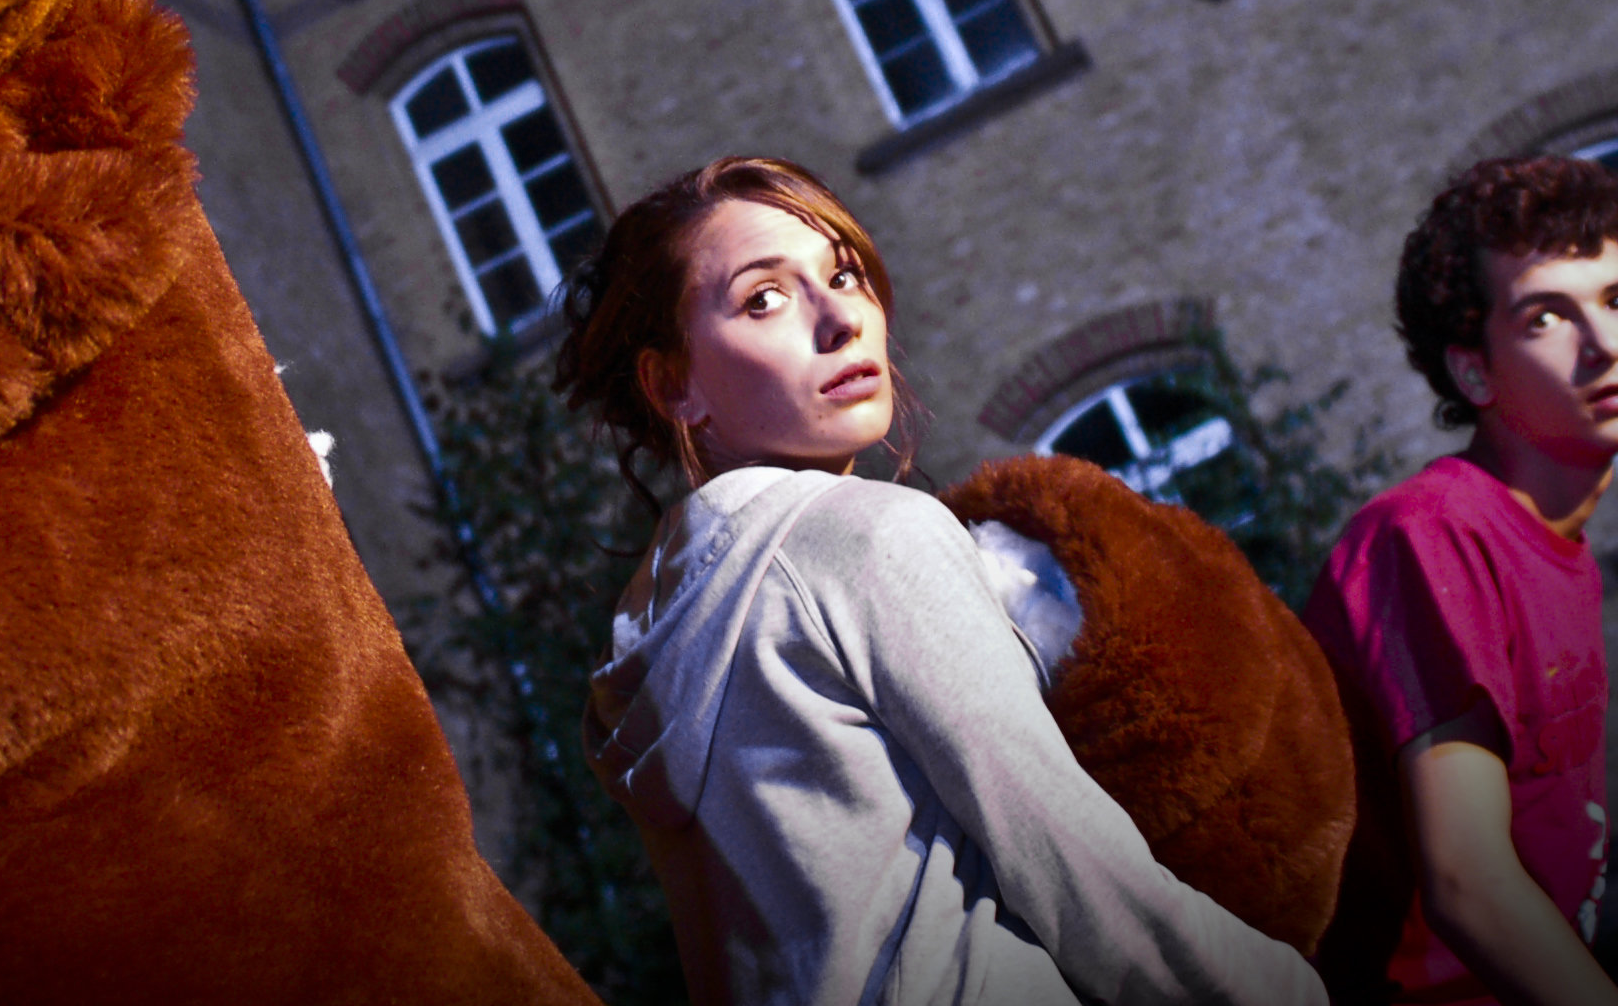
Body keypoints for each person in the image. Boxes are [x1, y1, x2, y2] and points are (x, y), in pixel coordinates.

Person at [557, 155, 1323, 1006]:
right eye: (763, 298)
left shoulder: (646, 638)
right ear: (673, 385)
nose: (840, 320)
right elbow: (1072, 864)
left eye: (842, 274)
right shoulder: (865, 536)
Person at [1304, 157, 1618, 1006]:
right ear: (1473, 374)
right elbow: (1467, 884)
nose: (1606, 345)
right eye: (1546, 318)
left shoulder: (1550, 535)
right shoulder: (1435, 536)